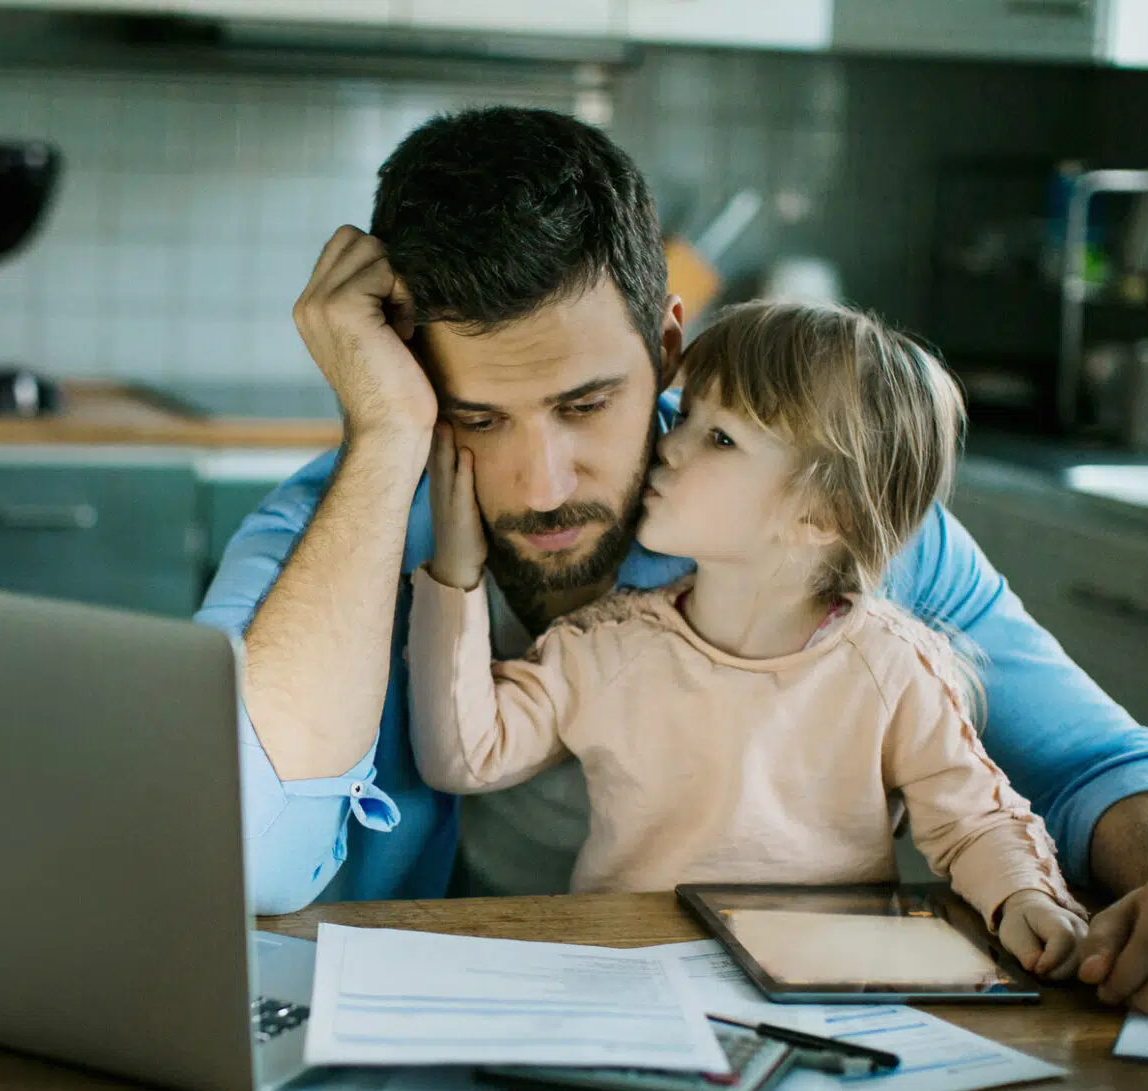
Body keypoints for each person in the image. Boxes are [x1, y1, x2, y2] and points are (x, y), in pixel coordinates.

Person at [197, 105, 1148, 1016]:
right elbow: (234, 852)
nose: (542, 482)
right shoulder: (329, 533)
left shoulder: (819, 520)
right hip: (432, 1041)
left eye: (584, 404)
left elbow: (1102, 770)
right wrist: (385, 442)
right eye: (474, 416)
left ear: (665, 348)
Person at [408, 299, 1090, 977]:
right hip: (636, 979)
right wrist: (456, 572)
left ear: (823, 514)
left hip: (826, 994)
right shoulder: (606, 647)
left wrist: (1027, 897)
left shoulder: (892, 667)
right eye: (690, 413)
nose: (669, 444)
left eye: (720, 437)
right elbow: (466, 756)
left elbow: (973, 823)